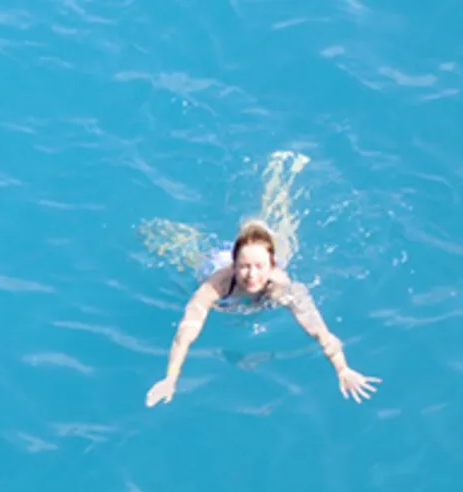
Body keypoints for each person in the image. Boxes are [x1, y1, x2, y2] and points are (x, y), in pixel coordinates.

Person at [141, 151, 379, 406]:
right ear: (234, 265)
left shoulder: (283, 287)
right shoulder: (216, 285)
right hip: (217, 260)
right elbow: (186, 332)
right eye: (244, 267)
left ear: (271, 265)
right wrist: (171, 377)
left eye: (258, 267)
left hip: (269, 256)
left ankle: (281, 171)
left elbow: (320, 332)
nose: (251, 275)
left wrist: (342, 368)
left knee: (281, 223)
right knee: (179, 249)